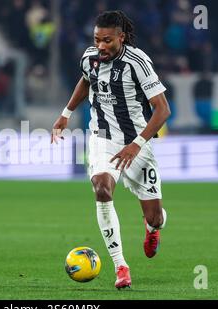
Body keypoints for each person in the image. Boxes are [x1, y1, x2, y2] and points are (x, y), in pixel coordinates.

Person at [51, 10, 171, 289]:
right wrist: (66, 113)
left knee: (155, 217)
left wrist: (135, 145)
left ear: (121, 37)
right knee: (102, 188)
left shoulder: (138, 62)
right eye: (97, 39)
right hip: (102, 136)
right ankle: (121, 267)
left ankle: (153, 227)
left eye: (107, 40)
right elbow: (85, 79)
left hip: (138, 141)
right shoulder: (89, 57)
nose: (101, 46)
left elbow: (163, 109)